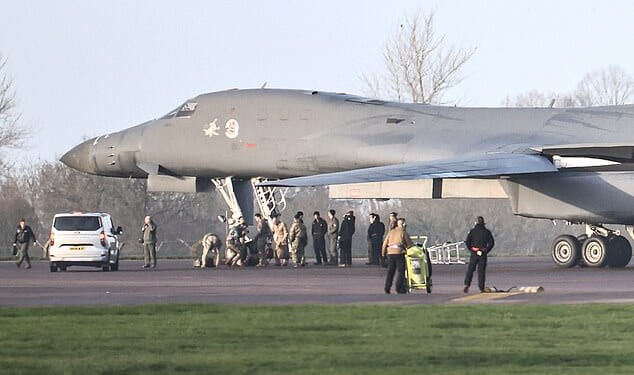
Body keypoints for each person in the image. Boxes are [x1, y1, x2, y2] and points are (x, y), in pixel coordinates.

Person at [463, 216, 495, 293]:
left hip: (474, 253)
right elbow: (491, 243)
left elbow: (467, 242)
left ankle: (467, 284)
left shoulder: (472, 231)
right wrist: (486, 250)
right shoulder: (487, 232)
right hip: (483, 253)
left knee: (470, 270)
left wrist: (471, 250)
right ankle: (481, 288)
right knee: (481, 272)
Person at [382, 217, 414, 294]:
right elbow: (410, 244)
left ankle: (387, 287)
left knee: (390, 271)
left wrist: (383, 254)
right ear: (403, 224)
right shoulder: (403, 232)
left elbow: (384, 244)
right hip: (399, 253)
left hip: (390, 253)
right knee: (401, 271)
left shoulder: (391, 232)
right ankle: (398, 287)